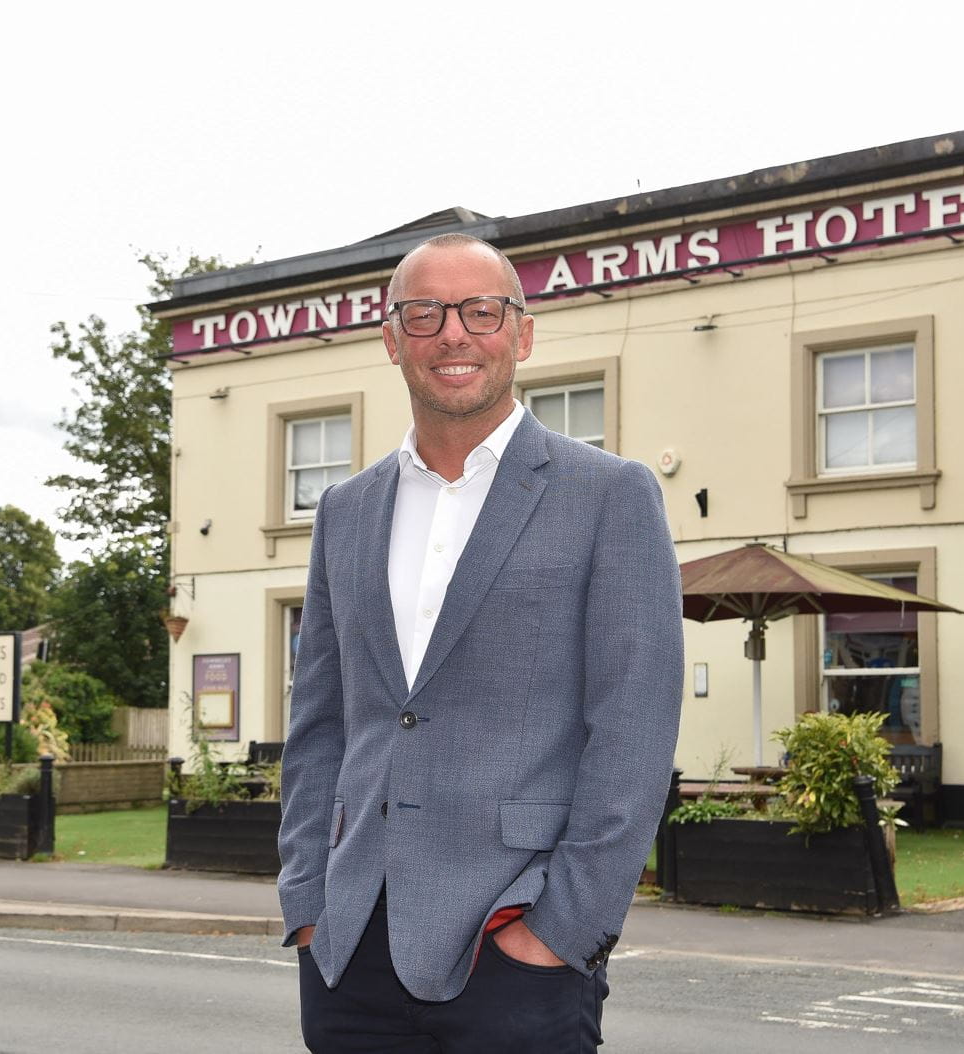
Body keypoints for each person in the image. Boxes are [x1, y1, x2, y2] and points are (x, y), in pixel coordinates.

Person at [278, 232, 684, 1052]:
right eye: (424, 313)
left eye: (480, 311)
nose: (453, 334)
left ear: (521, 334)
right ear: (392, 339)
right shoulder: (344, 512)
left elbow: (633, 733)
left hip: (516, 941)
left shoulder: (610, 495)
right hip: (350, 948)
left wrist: (560, 932)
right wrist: (307, 903)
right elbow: (319, 724)